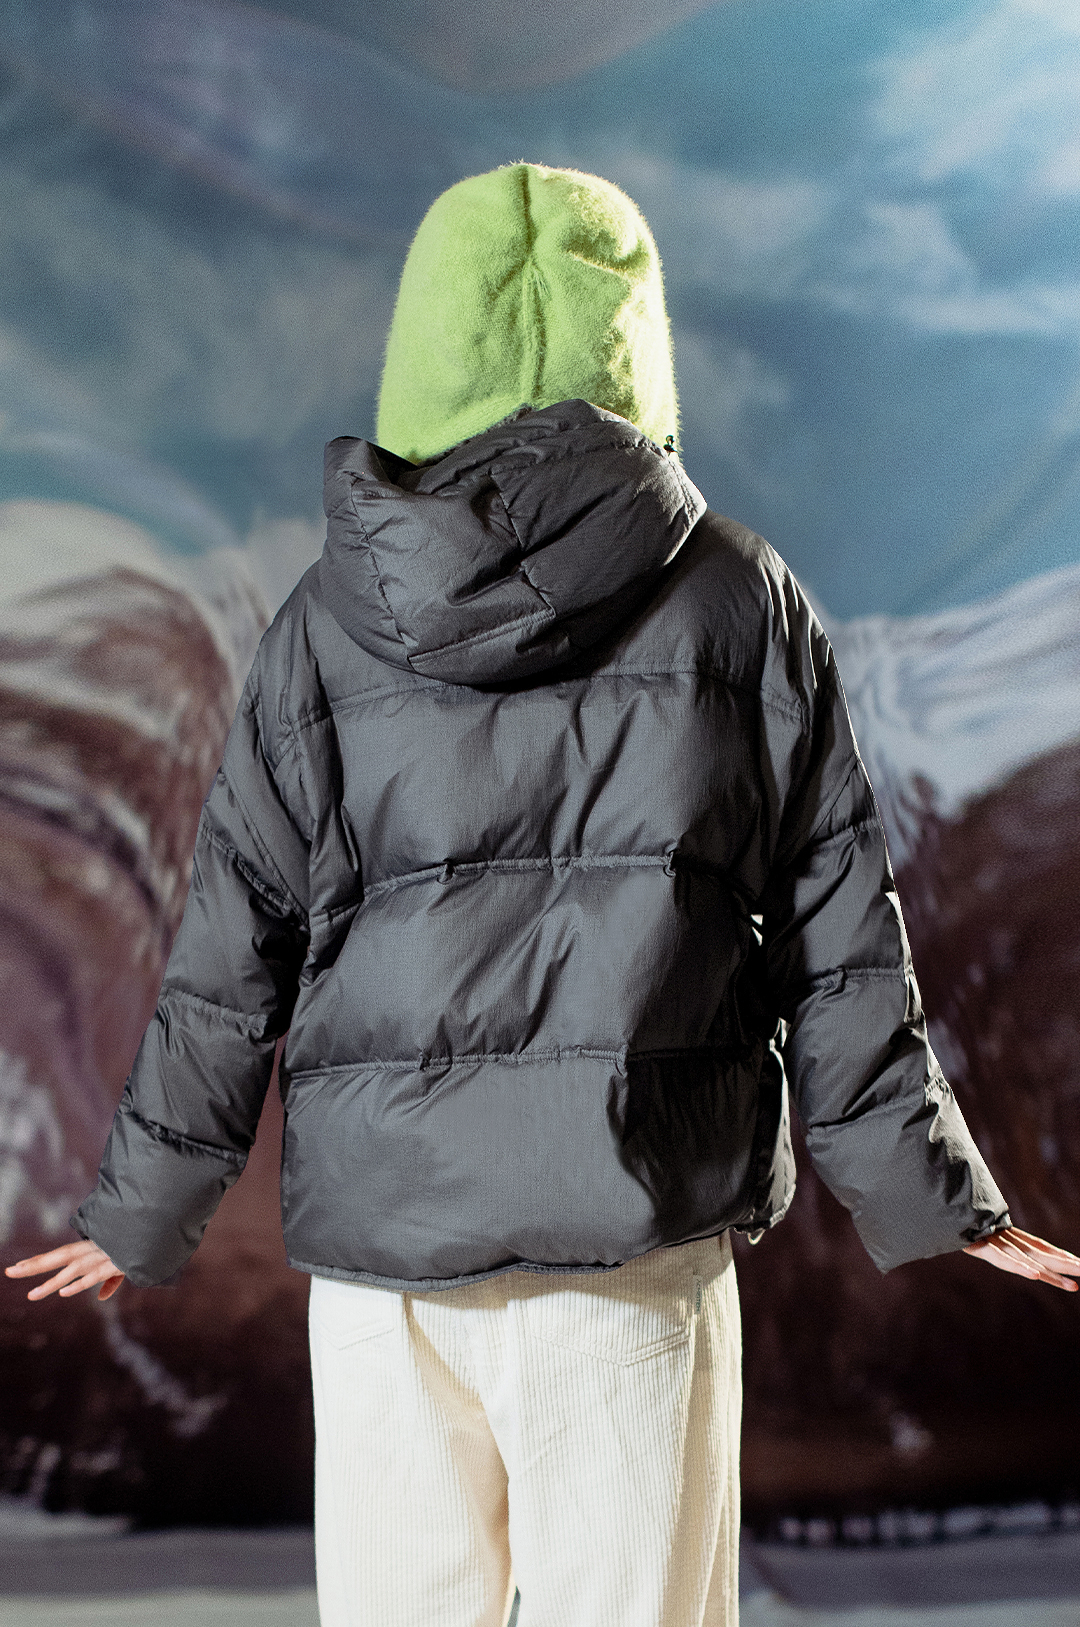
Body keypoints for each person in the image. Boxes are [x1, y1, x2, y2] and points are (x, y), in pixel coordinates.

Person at [8, 162, 1080, 1627]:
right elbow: (834, 934)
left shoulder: (322, 624)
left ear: (421, 344)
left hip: (386, 1271)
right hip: (630, 1247)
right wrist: (930, 1187)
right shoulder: (740, 598)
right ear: (636, 345)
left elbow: (228, 944)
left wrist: (144, 1209)